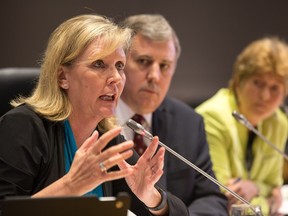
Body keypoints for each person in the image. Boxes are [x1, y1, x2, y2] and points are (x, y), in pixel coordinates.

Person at [0, 14, 190, 216]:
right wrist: (71, 186)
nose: (116, 78)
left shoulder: (109, 142)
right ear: (63, 77)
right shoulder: (24, 127)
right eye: (99, 64)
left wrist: (150, 196)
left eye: (119, 66)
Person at [115, 14, 228, 215]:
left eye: (164, 66)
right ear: (120, 63)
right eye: (143, 61)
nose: (154, 76)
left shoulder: (188, 123)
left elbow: (209, 197)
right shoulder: (94, 117)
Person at [196, 37, 288, 215]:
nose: (265, 96)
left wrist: (255, 187)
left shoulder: (278, 123)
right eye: (257, 83)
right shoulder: (212, 117)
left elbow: (274, 185)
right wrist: (269, 202)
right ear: (239, 80)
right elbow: (224, 199)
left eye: (275, 88)